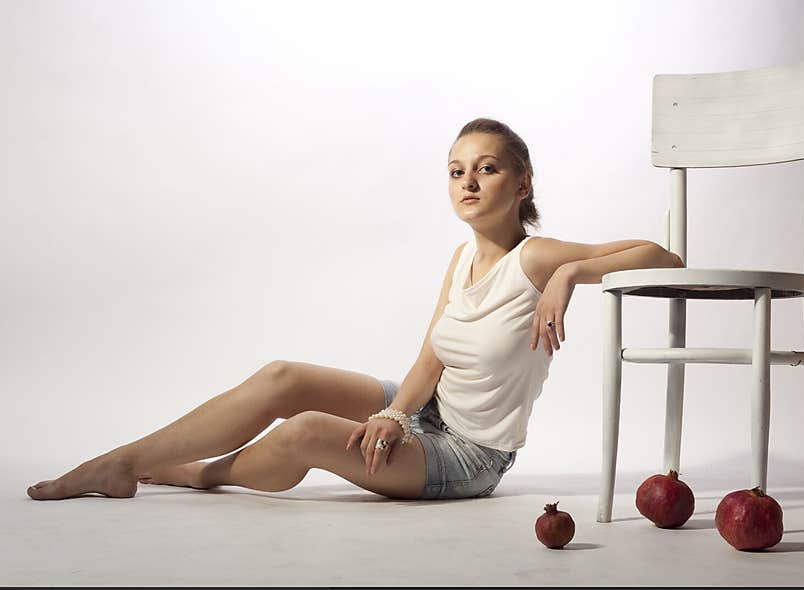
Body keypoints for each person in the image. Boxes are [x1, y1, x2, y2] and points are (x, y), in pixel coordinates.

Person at [26, 117, 682, 502]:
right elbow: (432, 356)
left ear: (523, 182)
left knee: (308, 429)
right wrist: (395, 413)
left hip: (470, 454)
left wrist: (573, 270)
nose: (469, 184)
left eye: (486, 169)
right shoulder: (460, 260)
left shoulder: (535, 257)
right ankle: (121, 459)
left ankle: (186, 472)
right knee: (283, 376)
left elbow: (664, 258)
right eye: (457, 171)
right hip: (428, 409)